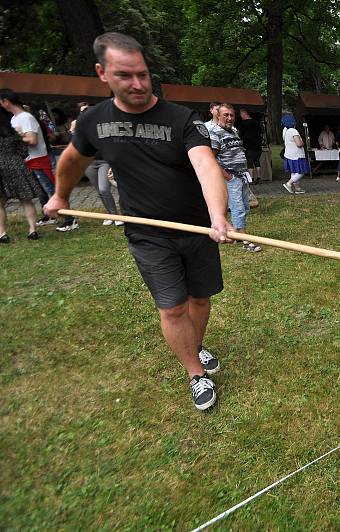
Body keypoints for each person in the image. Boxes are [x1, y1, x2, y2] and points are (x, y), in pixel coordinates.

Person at [44, 32, 234, 410]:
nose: (137, 84)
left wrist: (217, 214)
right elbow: (70, 161)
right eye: (125, 75)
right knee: (172, 306)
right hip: (147, 233)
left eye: (143, 75)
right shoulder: (95, 122)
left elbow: (205, 165)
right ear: (102, 73)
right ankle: (195, 373)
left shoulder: (181, 119)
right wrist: (61, 195)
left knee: (200, 298)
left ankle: (195, 345)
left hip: (197, 226)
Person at [209, 103, 261, 253]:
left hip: (241, 176)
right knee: (238, 208)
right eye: (226, 115)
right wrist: (229, 177)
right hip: (231, 177)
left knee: (245, 207)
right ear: (218, 116)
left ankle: (235, 232)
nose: (230, 118)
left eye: (232, 115)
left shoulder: (234, 131)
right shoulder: (215, 133)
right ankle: (245, 240)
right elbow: (211, 159)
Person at [75, 103, 123, 226]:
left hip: (104, 162)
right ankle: (111, 214)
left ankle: (117, 216)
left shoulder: (104, 129)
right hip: (89, 163)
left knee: (104, 188)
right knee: (99, 191)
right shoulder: (82, 131)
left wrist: (113, 164)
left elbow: (114, 147)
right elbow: (77, 148)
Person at [0, 107, 43, 243]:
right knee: (26, 200)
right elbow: (24, 151)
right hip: (17, 165)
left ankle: (2, 233)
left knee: (0, 203)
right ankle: (32, 230)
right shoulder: (13, 134)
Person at [281, 113, 309, 194]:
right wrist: (303, 142)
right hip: (297, 155)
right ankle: (289, 184)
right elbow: (299, 144)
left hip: (289, 154)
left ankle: (297, 188)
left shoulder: (285, 130)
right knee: (301, 171)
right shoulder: (293, 131)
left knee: (294, 172)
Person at [237, 108, 263, 183]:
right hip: (258, 145)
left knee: (250, 162)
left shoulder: (243, 123)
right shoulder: (256, 122)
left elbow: (239, 133)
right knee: (257, 161)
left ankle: (250, 179)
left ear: (244, 114)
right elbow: (260, 132)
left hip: (249, 146)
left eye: (241, 114)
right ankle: (259, 178)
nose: (241, 116)